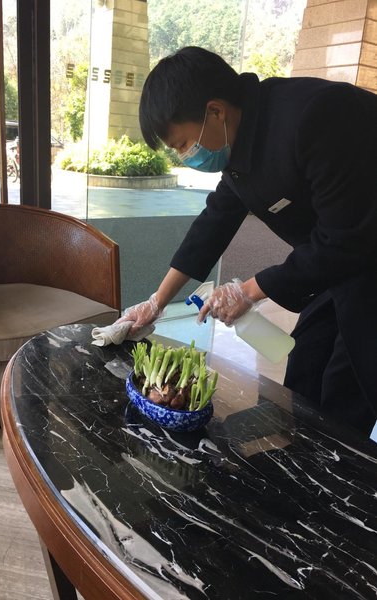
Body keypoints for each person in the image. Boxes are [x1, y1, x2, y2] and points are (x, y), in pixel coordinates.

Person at [118, 46, 377, 437]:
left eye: (183, 144)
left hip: (363, 256)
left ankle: (340, 469)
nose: (185, 156)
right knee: (306, 366)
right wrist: (156, 302)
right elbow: (214, 222)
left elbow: (344, 239)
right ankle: (301, 454)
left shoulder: (315, 116)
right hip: (339, 263)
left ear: (215, 112)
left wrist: (248, 291)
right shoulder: (240, 142)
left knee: (348, 385)